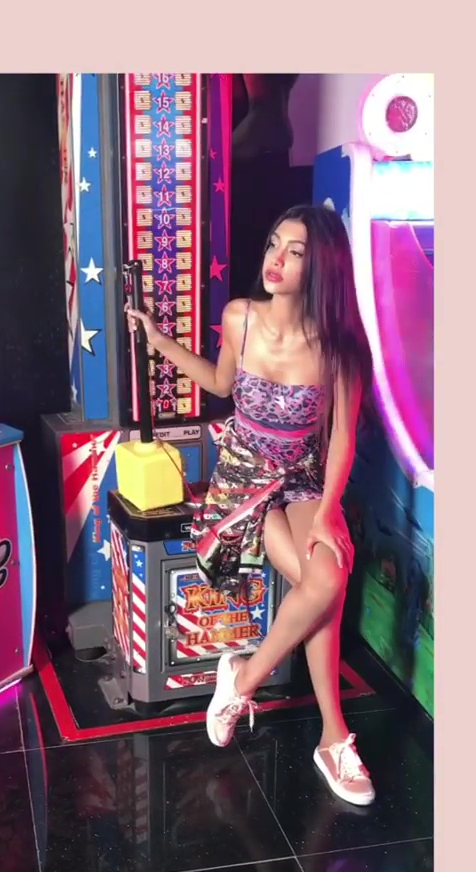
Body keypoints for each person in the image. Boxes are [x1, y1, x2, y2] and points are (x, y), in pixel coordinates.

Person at [126, 204, 375, 807]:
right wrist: (159, 341)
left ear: (321, 267)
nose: (276, 259)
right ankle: (332, 737)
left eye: (295, 252)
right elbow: (219, 383)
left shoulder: (339, 347)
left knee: (327, 576)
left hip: (302, 479)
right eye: (273, 244)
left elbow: (343, 438)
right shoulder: (239, 316)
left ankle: (243, 680)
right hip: (242, 480)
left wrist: (328, 512)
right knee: (326, 585)